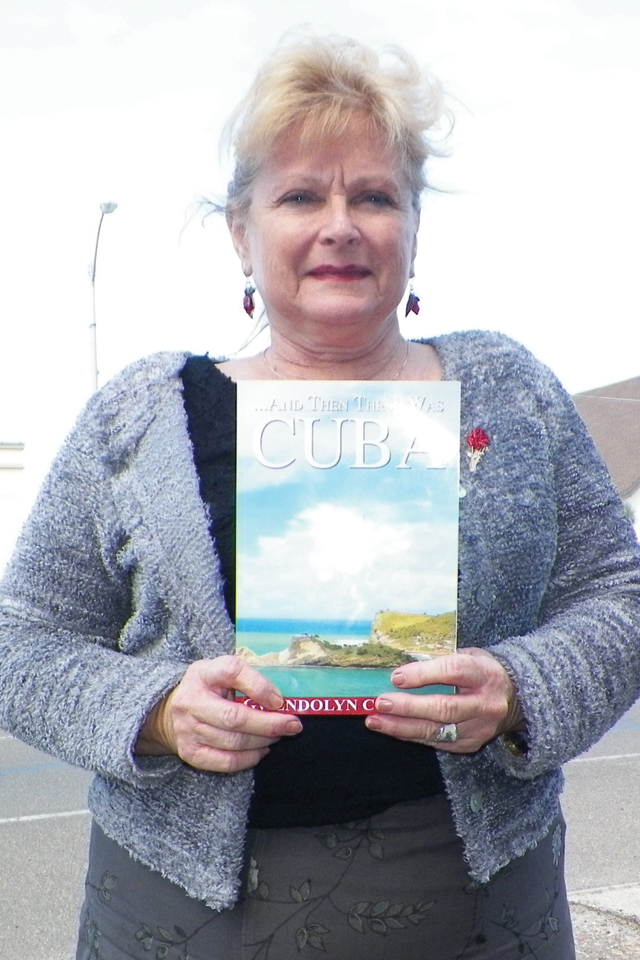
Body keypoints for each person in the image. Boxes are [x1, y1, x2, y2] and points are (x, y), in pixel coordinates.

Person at [1, 33, 639, 960]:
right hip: (182, 910)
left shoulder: (509, 391)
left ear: (413, 227)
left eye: (374, 196)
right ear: (241, 231)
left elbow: (618, 594)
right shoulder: (139, 417)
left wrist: (519, 690)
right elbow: (20, 642)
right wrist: (157, 710)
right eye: (301, 196)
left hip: (479, 904)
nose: (340, 225)